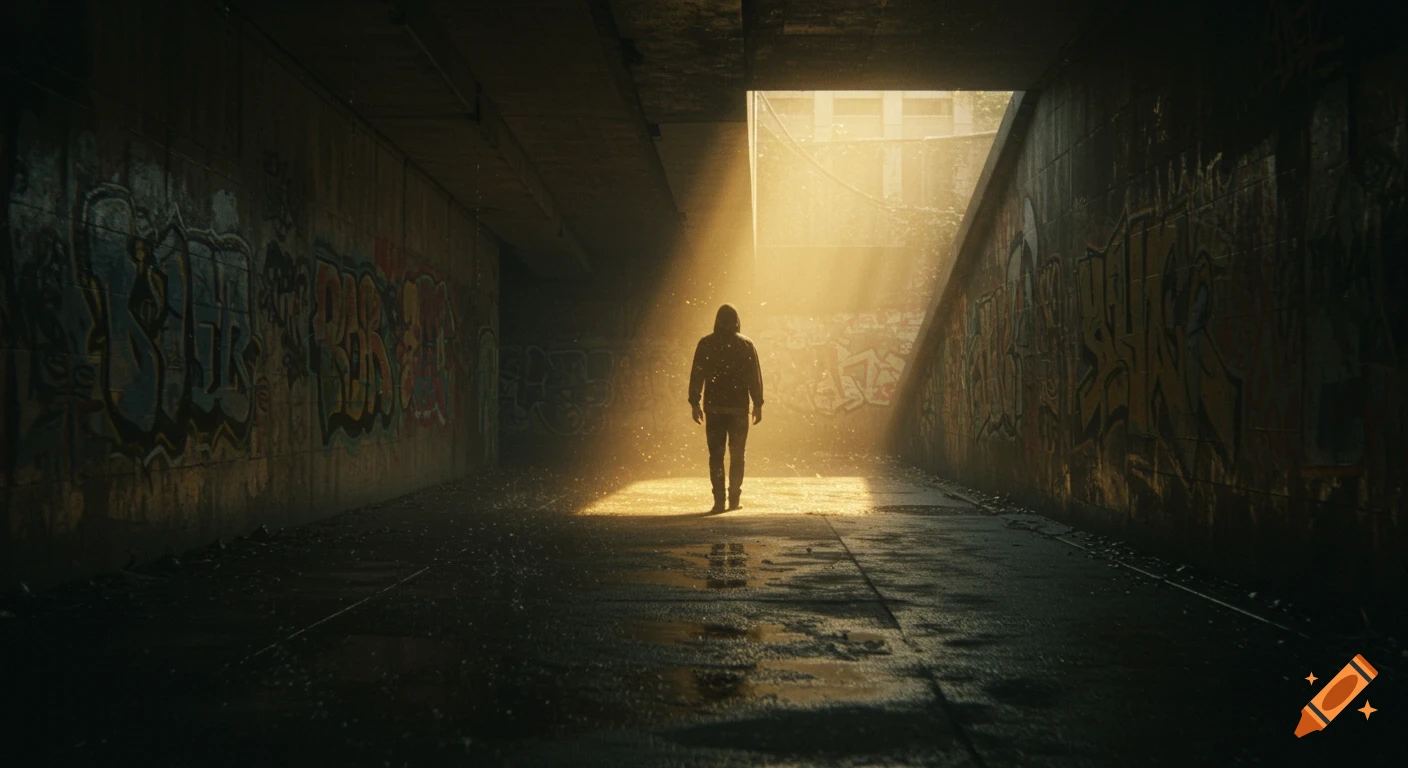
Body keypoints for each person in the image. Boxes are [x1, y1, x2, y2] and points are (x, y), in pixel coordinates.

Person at [688, 304, 764, 512]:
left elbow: (697, 375)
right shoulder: (746, 345)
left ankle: (719, 500)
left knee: (716, 455)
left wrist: (695, 403)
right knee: (738, 455)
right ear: (737, 321)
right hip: (739, 410)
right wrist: (757, 403)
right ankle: (734, 499)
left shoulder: (706, 344)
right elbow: (754, 377)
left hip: (714, 410)